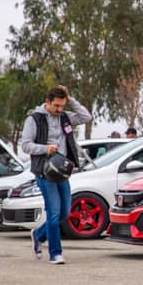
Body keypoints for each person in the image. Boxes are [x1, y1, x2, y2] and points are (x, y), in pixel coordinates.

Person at [21, 86, 91, 264]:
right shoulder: (34, 119)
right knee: (53, 213)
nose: (59, 110)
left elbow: (86, 117)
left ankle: (38, 234)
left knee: (64, 213)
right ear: (47, 102)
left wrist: (70, 98)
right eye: (56, 106)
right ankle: (55, 253)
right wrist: (45, 149)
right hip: (45, 171)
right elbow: (26, 145)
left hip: (63, 171)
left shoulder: (65, 117)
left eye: (62, 105)